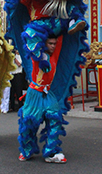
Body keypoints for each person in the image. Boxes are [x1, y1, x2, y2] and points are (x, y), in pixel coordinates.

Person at [18, 35, 68, 164]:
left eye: (54, 43)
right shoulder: (37, 55)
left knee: (55, 118)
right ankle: (26, 150)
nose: (53, 46)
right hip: (34, 93)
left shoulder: (55, 54)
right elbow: (31, 40)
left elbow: (61, 37)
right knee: (29, 122)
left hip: (48, 93)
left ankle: (50, 152)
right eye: (50, 43)